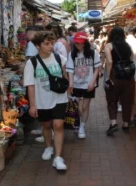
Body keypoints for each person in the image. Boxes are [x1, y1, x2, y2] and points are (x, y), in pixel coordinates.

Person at [24, 31, 68, 170]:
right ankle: (48, 146)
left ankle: (58, 158)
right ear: (38, 46)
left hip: (60, 98)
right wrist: (32, 105)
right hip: (42, 100)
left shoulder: (59, 58)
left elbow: (65, 75)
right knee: (46, 125)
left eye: (52, 43)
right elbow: (30, 85)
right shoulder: (32, 63)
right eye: (46, 43)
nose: (51, 46)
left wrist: (68, 85)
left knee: (59, 125)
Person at [66, 32, 101, 139]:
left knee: (85, 107)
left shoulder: (93, 53)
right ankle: (78, 122)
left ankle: (82, 126)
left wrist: (92, 82)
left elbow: (97, 69)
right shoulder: (72, 54)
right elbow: (70, 71)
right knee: (77, 107)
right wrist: (71, 83)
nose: (78, 45)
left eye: (80, 43)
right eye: (76, 43)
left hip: (89, 84)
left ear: (85, 42)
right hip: (76, 84)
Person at [104, 26, 135, 135]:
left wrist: (107, 77)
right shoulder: (128, 46)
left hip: (115, 75)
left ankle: (113, 123)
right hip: (128, 77)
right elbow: (132, 59)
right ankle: (126, 123)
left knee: (112, 100)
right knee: (127, 100)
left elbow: (109, 62)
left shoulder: (109, 46)